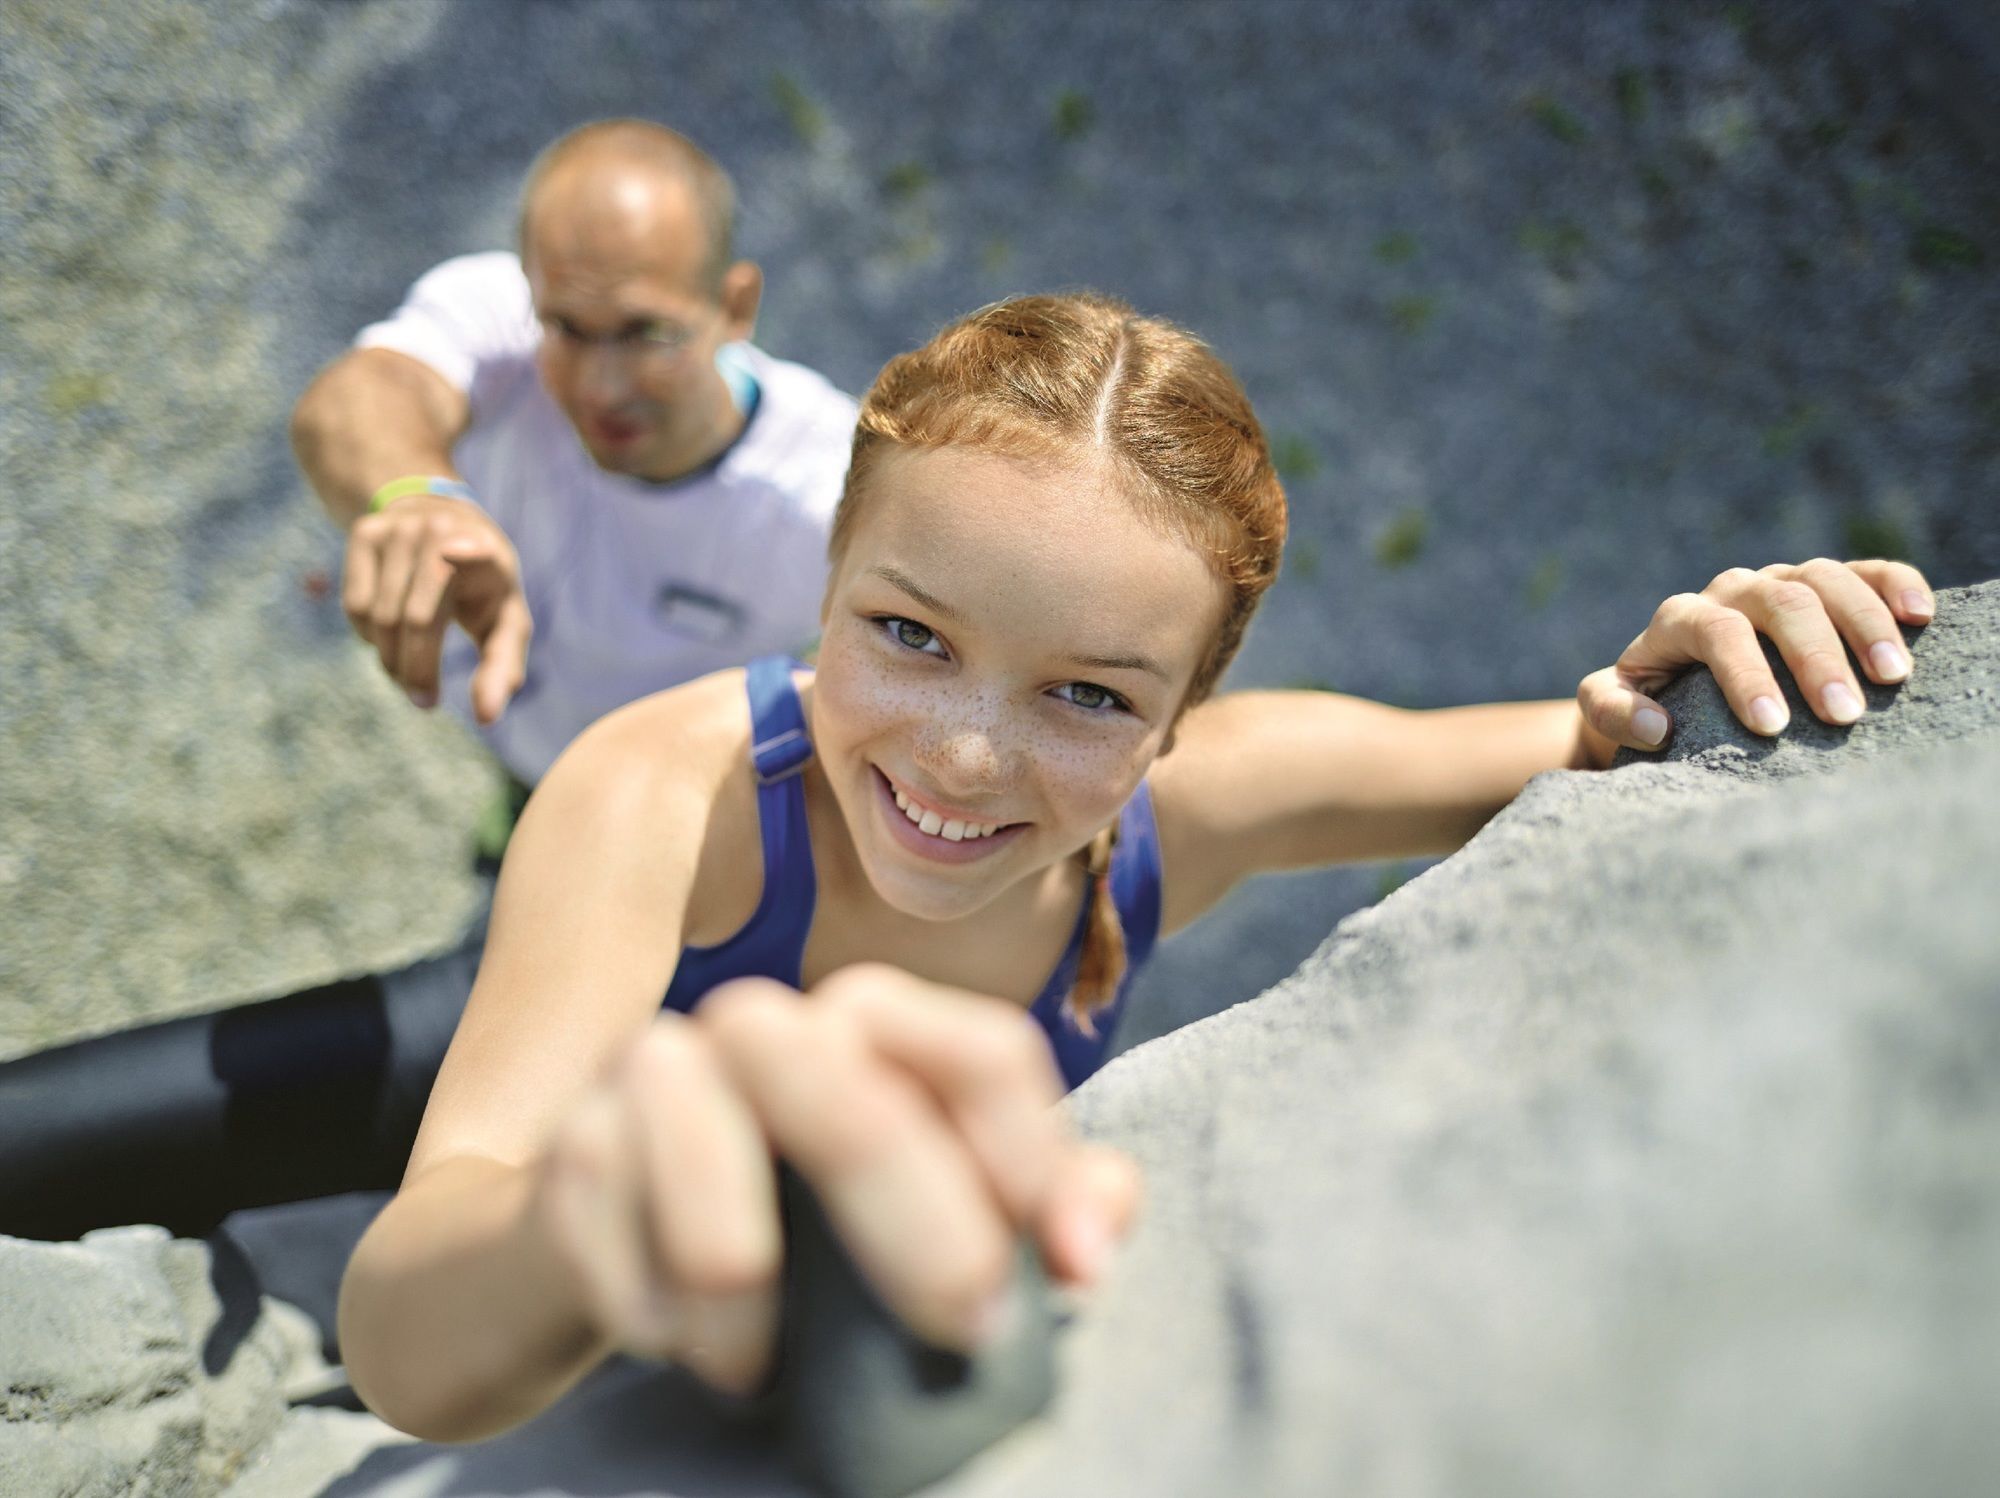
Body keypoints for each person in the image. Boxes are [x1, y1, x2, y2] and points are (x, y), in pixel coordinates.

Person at [335, 292, 1935, 1441]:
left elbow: (1597, 738)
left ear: (1188, 718)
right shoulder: (655, 797)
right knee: (90, 1140)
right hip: (521, 1034)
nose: (967, 754)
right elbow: (408, 1330)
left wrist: (1720, 656)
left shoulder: (1207, 803)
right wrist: (577, 1219)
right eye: (910, 633)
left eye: (1089, 693)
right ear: (822, 586)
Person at [0, 119, 857, 1241]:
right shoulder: (502, 318)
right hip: (536, 819)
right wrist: (417, 499)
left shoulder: (821, 495)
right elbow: (350, 402)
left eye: (645, 333)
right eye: (568, 328)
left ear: (734, 305)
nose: (599, 381)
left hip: (706, 901)